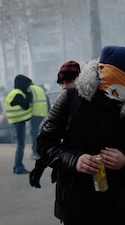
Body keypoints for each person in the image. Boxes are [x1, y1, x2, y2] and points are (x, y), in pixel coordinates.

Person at [36, 45, 125, 225]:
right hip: (75, 202)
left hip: (115, 204)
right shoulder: (69, 99)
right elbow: (45, 144)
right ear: (114, 72)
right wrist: (74, 160)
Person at [29, 60, 81, 189]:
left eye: (69, 82)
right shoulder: (64, 103)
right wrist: (40, 164)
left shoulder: (85, 105)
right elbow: (50, 137)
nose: (64, 87)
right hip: (66, 169)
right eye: (61, 83)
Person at [5, 74, 33, 174]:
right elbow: (25, 105)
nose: (29, 88)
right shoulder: (18, 94)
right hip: (18, 122)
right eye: (27, 85)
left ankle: (17, 166)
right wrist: (29, 94)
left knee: (20, 144)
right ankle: (18, 166)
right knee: (20, 145)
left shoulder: (15, 93)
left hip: (18, 122)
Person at [30, 82, 50, 159]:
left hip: (35, 114)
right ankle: (41, 150)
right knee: (41, 133)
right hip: (43, 114)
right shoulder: (41, 90)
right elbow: (47, 101)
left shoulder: (31, 89)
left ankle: (35, 151)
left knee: (34, 134)